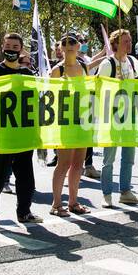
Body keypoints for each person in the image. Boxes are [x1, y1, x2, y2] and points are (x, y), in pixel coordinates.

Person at [0, 33, 43, 229]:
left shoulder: (27, 74)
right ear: (3, 46)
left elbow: (33, 102)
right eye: (7, 45)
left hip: (25, 131)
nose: (11, 49)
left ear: (21, 50)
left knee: (26, 176)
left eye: (15, 47)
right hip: (4, 132)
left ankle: (24, 212)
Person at [89, 28, 138, 208]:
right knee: (109, 158)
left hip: (130, 114)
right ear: (115, 44)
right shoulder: (107, 64)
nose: (129, 44)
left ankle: (126, 192)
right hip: (112, 115)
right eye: (125, 41)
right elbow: (98, 89)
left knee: (129, 156)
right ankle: (106, 194)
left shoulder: (132, 61)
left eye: (130, 41)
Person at [48, 34, 90, 217]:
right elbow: (49, 98)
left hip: (82, 119)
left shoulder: (84, 67)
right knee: (63, 163)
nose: (69, 45)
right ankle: (56, 204)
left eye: (73, 42)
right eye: (65, 43)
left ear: (79, 46)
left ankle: (73, 202)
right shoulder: (57, 71)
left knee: (78, 163)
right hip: (64, 122)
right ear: (60, 48)